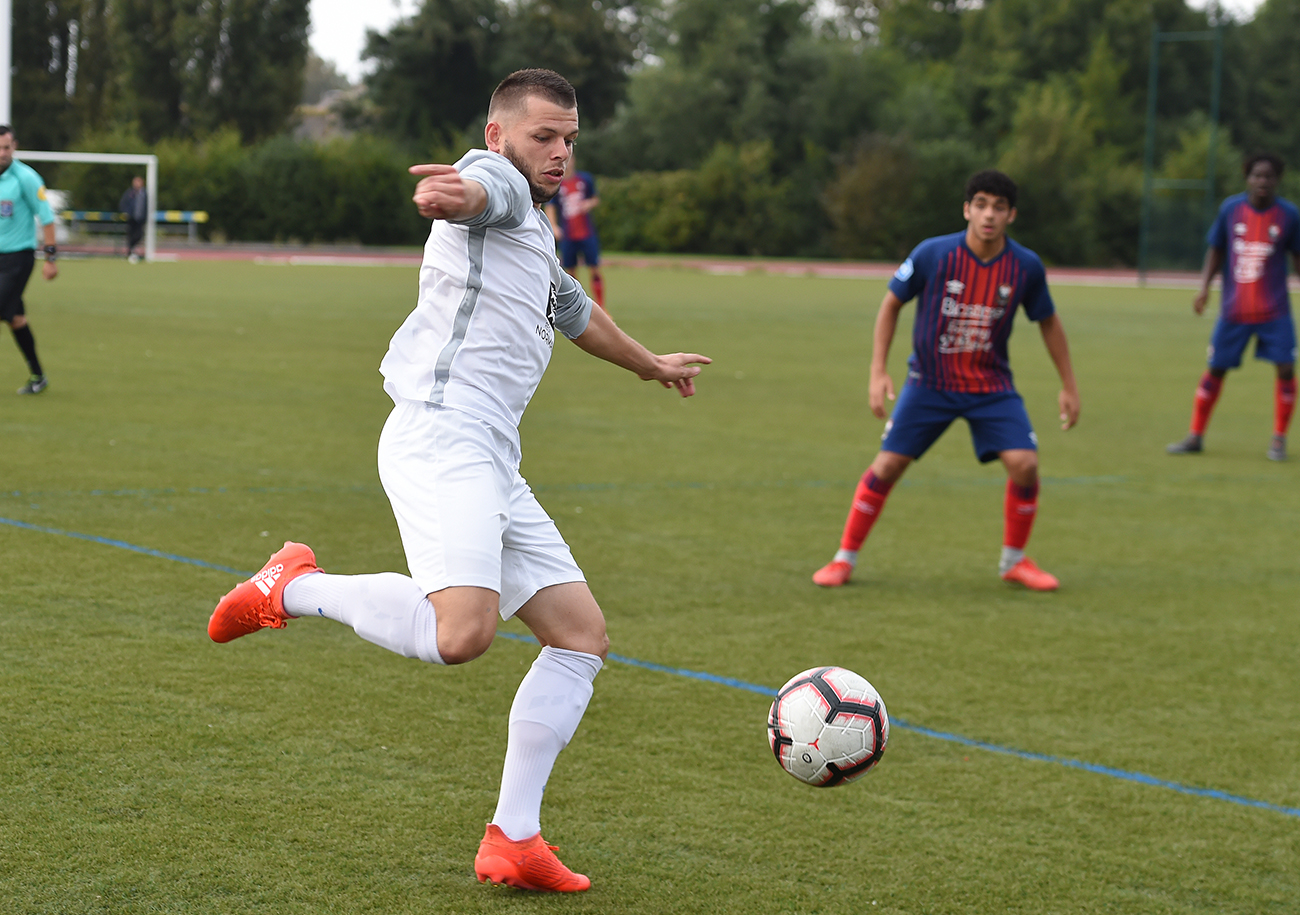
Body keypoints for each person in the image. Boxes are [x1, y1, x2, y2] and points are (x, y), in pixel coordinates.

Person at [207, 69, 709, 893]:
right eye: (544, 135)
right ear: (498, 133)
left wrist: (650, 363)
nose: (559, 152)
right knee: (462, 634)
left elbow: (572, 307)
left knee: (580, 635)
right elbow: (476, 196)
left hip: (490, 455)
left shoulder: (538, 234)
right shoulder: (499, 185)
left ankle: (514, 836)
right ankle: (293, 585)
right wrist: (453, 196)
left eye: (571, 138)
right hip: (442, 436)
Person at [811, 170, 1080, 592]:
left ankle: (1014, 561)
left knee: (1025, 464)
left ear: (1011, 215)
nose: (989, 215)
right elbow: (890, 305)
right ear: (967, 209)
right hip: (930, 384)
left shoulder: (1024, 266)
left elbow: (1048, 322)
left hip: (991, 386)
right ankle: (844, 557)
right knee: (889, 464)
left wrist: (1068, 384)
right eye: (981, 205)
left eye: (999, 207)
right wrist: (877, 370)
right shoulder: (933, 254)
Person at [1167, 153, 1300, 461]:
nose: (1262, 181)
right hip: (1235, 310)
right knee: (1216, 369)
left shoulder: (1289, 215)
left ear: (1277, 179)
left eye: (1268, 176)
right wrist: (1203, 289)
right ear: (1247, 178)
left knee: (1286, 368)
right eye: (1256, 175)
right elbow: (1216, 250)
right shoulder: (1231, 209)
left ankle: (1278, 439)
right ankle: (1195, 435)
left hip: (1274, 311)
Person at [0, 125, 58, 395]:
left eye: (6, 148)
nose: (1, 153)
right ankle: (38, 376)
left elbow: (46, 218)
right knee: (16, 319)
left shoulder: (26, 177)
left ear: (14, 147)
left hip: (18, 258)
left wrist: (50, 258)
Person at [546, 159, 604, 308]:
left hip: (587, 233)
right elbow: (550, 206)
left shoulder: (585, 179)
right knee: (569, 273)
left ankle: (602, 306)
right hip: (568, 235)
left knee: (594, 268)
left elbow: (595, 198)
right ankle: (575, 307)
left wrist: (588, 204)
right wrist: (553, 225)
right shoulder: (556, 183)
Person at [119, 175, 147, 262]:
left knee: (139, 235)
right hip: (131, 218)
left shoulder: (144, 193)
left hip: (140, 218)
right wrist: (125, 212)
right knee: (130, 235)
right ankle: (130, 251)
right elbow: (123, 203)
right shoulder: (129, 192)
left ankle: (133, 249)